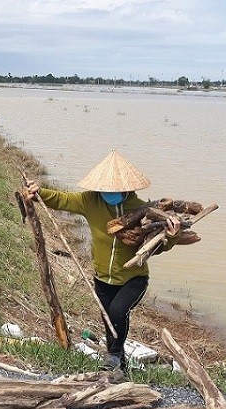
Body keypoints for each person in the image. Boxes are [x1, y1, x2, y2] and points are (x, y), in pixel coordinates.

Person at [25, 150, 181, 373]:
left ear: (127, 188)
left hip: (133, 278)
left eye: (115, 190)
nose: (109, 193)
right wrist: (39, 192)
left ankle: (115, 356)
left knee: (118, 312)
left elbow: (158, 246)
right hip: (102, 277)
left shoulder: (143, 210)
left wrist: (172, 236)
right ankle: (119, 365)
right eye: (105, 189)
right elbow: (63, 199)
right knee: (109, 319)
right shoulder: (91, 201)